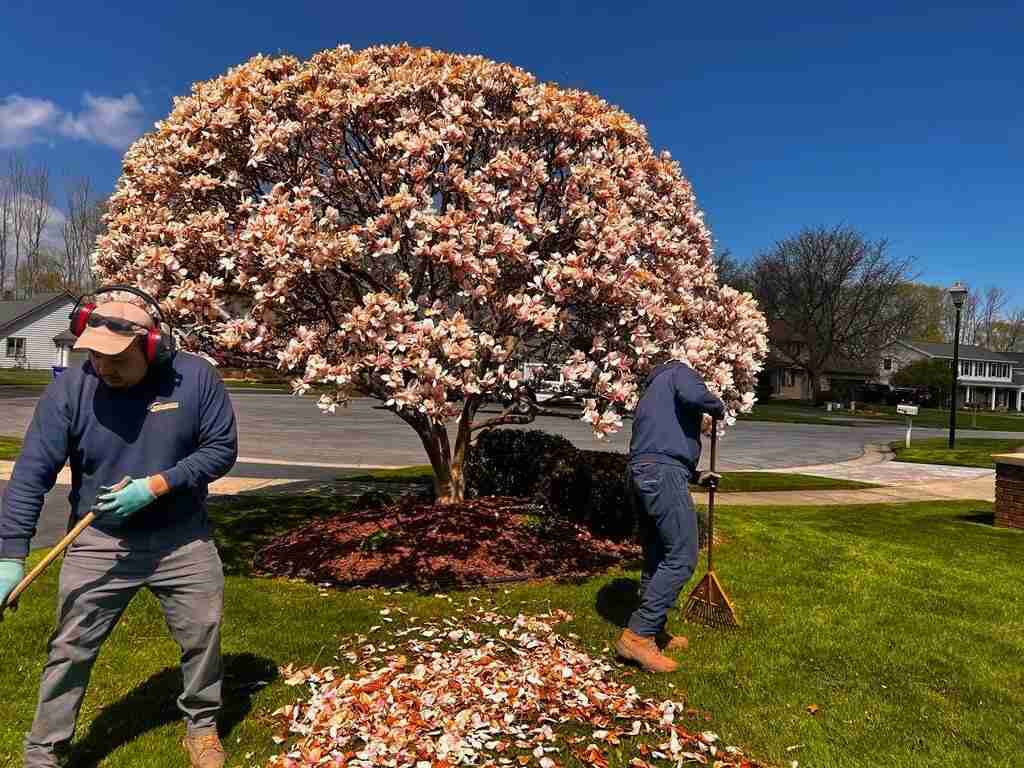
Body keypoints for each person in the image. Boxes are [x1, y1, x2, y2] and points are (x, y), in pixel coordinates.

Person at [0, 286, 238, 768]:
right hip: (100, 540)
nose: (102, 368)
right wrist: (9, 555)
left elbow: (220, 450)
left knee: (202, 634)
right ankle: (44, 750)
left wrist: (157, 485)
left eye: (116, 359)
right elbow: (31, 474)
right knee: (71, 646)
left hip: (182, 537)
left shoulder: (195, 379)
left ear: (152, 347)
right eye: (94, 356)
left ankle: (201, 723)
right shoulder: (71, 388)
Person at [615, 358, 725, 673]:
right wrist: (716, 405)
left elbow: (659, 447)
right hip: (661, 475)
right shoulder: (679, 372)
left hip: (643, 472)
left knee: (657, 556)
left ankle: (654, 628)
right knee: (681, 555)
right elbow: (697, 397)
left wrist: (695, 474)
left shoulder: (653, 389)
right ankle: (638, 635)